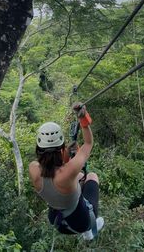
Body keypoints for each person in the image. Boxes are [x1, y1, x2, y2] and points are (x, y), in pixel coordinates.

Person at [28, 103, 104, 240]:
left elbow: (53, 169)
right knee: (91, 176)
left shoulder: (33, 169)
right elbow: (88, 144)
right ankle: (88, 232)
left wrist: (67, 153)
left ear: (38, 147)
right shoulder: (69, 171)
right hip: (81, 223)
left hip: (57, 221)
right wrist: (83, 121)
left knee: (80, 176)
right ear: (61, 147)